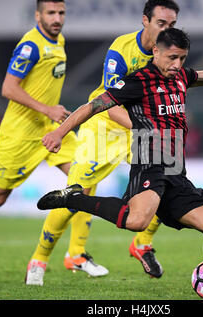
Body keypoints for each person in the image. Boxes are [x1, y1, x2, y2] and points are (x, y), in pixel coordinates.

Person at [38, 28, 203, 296]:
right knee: (137, 221)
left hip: (175, 170)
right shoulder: (138, 81)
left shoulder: (181, 77)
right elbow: (93, 106)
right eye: (173, 57)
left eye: (183, 58)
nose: (177, 64)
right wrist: (59, 133)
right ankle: (73, 198)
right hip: (149, 162)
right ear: (156, 51)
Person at [0, 0, 107, 280]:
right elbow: (8, 87)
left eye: (61, 13)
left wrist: (51, 114)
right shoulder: (30, 46)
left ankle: (75, 252)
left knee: (85, 177)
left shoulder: (59, 40)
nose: (57, 18)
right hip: (21, 133)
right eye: (51, 13)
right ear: (38, 15)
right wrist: (46, 108)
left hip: (52, 128)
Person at [26, 0, 180, 283]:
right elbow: (108, 102)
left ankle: (142, 244)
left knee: (170, 181)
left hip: (141, 131)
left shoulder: (171, 55)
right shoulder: (121, 50)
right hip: (105, 127)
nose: (167, 30)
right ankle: (39, 258)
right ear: (145, 21)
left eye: (172, 25)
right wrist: (145, 125)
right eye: (161, 23)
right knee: (74, 196)